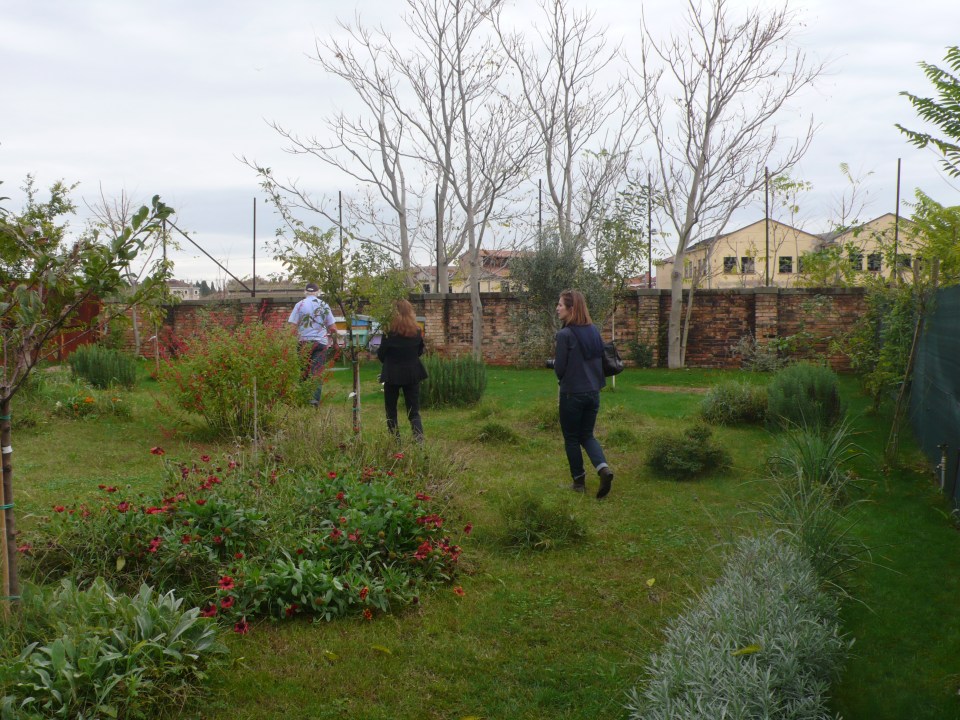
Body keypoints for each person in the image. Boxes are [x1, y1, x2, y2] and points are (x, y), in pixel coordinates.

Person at [553, 289, 614, 499]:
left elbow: (560, 369)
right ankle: (603, 469)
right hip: (593, 392)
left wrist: (557, 366)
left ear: (571, 309)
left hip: (572, 394)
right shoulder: (593, 331)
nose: (557, 308)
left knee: (571, 438)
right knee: (586, 435)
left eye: (560, 305)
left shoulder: (565, 335)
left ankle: (578, 482)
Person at [376, 299, 428, 443]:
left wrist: (390, 361)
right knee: (414, 411)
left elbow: (381, 354)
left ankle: (395, 442)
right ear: (410, 312)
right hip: (412, 373)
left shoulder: (389, 332)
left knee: (391, 411)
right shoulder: (417, 331)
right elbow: (419, 351)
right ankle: (419, 440)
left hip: (392, 374)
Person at [287, 281, 339, 406]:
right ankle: (314, 401)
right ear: (318, 292)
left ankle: (303, 399)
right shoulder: (324, 305)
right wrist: (335, 343)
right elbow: (333, 328)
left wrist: (289, 343)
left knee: (303, 371)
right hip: (320, 343)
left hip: (303, 342)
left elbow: (292, 327)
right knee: (317, 373)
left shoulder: (299, 305)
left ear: (305, 292)